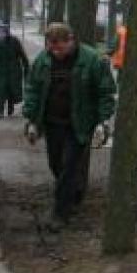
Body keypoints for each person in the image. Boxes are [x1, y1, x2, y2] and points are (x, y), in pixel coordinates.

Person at [22, 23, 116, 230]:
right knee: (55, 164)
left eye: (60, 48)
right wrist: (31, 120)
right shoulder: (43, 60)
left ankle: (59, 214)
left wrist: (103, 121)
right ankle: (74, 193)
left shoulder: (92, 60)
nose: (56, 53)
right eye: (52, 48)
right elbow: (33, 89)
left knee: (68, 167)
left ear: (71, 41)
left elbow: (105, 92)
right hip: (52, 123)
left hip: (79, 124)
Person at [0, 20, 28, 118]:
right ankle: (0, 111)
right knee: (0, 92)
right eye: (0, 30)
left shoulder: (14, 41)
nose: (2, 32)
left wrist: (26, 68)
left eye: (4, 30)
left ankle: (10, 108)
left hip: (13, 71)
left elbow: (22, 55)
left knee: (11, 91)